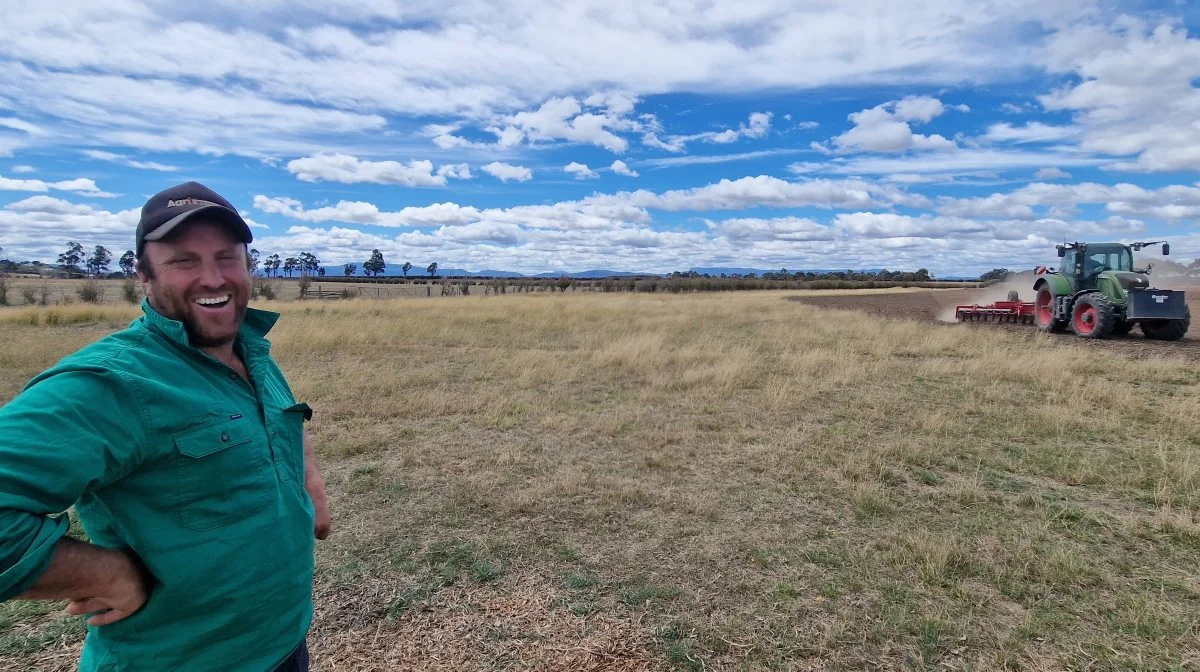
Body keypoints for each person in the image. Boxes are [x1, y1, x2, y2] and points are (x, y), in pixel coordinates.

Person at [0, 181, 331, 671]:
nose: (213, 278)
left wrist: (309, 485)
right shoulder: (112, 383)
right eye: (183, 261)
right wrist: (104, 573)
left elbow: (279, 421)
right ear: (143, 274)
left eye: (227, 257)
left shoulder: (250, 351)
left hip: (282, 640)